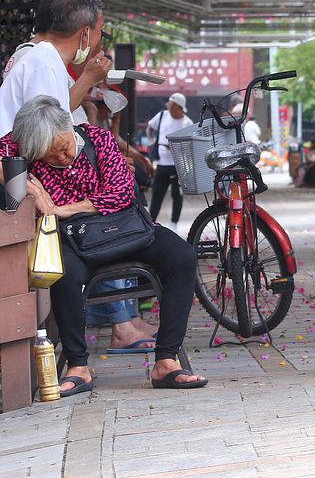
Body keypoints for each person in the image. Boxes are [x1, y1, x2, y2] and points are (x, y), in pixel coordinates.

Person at [1, 97, 207, 393]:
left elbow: (121, 194)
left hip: (126, 230)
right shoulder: (27, 147)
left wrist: (62, 209)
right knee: (63, 273)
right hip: (77, 240)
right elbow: (4, 149)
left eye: (63, 148)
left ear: (69, 126)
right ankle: (78, 366)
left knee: (181, 256)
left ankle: (166, 362)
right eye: (50, 156)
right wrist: (23, 180)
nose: (61, 158)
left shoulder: (98, 139)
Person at [0, 0, 111, 131]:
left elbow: (55, 115)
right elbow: (46, 133)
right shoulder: (41, 64)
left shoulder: (47, 60)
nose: (100, 42)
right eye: (100, 31)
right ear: (85, 33)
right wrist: (88, 77)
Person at [146, 92, 192, 231]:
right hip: (162, 163)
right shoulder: (162, 115)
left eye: (171, 104)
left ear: (179, 107)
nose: (168, 106)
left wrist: (175, 147)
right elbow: (150, 128)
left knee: (177, 195)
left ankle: (174, 223)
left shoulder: (187, 123)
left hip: (178, 165)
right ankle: (151, 223)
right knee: (157, 194)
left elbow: (190, 145)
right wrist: (151, 141)